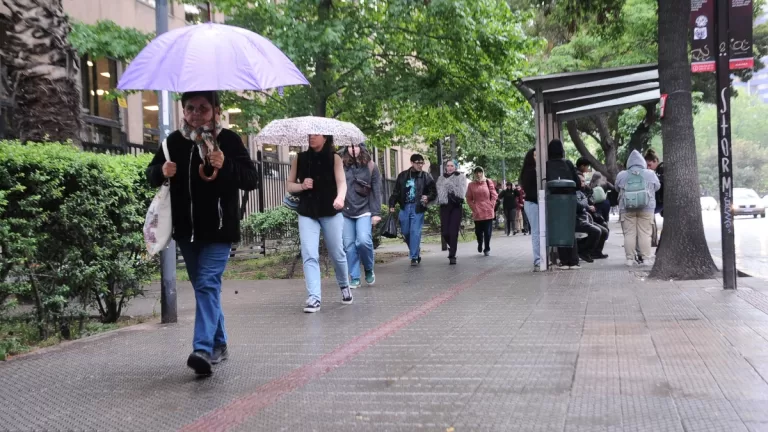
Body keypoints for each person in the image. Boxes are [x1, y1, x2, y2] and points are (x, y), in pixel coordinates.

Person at [146, 91, 258, 376]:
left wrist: (226, 164)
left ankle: (202, 349)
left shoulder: (228, 141)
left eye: (203, 108)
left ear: (216, 111)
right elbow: (150, 174)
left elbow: (251, 180)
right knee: (204, 289)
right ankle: (219, 343)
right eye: (191, 108)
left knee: (207, 284)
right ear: (183, 111)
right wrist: (162, 170)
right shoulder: (173, 142)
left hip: (220, 230)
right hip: (187, 231)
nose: (196, 113)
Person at [286, 134, 351, 313]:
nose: (311, 138)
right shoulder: (300, 159)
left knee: (337, 252)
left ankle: (344, 285)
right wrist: (301, 186)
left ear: (325, 138)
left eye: (316, 135)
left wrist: (340, 198)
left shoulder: (334, 158)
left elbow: (342, 183)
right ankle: (314, 297)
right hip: (308, 212)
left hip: (331, 211)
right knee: (309, 253)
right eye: (309, 135)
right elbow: (289, 185)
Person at [340, 143, 382, 288]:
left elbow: (376, 191)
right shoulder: (340, 165)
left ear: (361, 147)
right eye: (350, 146)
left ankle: (369, 268)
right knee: (349, 246)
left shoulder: (371, 166)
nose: (353, 149)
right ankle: (355, 276)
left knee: (363, 241)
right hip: (345, 212)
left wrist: (376, 213)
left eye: (356, 146)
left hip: (364, 210)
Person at [389, 154, 437, 266]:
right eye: (418, 163)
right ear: (412, 163)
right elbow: (396, 192)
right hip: (404, 207)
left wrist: (428, 197)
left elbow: (433, 192)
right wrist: (392, 204)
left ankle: (414, 257)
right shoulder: (402, 176)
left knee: (415, 232)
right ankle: (415, 249)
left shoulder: (426, 176)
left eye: (422, 163)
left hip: (417, 207)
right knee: (405, 232)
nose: (420, 165)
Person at [616, 150, 661, 266]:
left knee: (629, 233)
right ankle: (646, 259)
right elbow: (657, 187)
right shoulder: (650, 173)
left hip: (626, 208)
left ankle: (629, 259)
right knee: (645, 233)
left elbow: (617, 188)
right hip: (647, 208)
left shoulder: (622, 175)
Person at [547, 139, 581, 269]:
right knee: (569, 229)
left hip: (554, 200)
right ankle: (573, 260)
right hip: (569, 200)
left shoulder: (547, 165)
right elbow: (577, 183)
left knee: (558, 228)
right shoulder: (568, 163)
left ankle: (564, 260)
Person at [436, 160, 468, 265]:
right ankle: (451, 246)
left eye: (452, 166)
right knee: (445, 232)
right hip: (444, 206)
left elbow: (462, 191)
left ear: (455, 167)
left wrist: (450, 185)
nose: (449, 168)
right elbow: (438, 192)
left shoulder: (461, 177)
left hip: (455, 206)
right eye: (448, 166)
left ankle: (452, 255)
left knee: (453, 232)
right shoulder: (441, 178)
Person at [466, 166, 498, 256]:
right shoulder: (471, 185)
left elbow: (494, 194)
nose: (478, 174)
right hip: (477, 212)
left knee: (488, 232)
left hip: (488, 210)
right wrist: (474, 207)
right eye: (476, 172)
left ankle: (487, 248)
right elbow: (468, 198)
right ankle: (480, 243)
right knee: (478, 232)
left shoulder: (488, 182)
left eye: (480, 172)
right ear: (474, 174)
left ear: (482, 173)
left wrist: (491, 204)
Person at [576, 174, 609, 261]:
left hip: (586, 217)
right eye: (582, 181)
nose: (584, 183)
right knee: (596, 231)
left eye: (584, 181)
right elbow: (580, 204)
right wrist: (586, 203)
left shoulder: (584, 191)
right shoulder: (575, 192)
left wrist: (586, 202)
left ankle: (596, 252)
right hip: (579, 219)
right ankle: (583, 251)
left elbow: (588, 201)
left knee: (604, 231)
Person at [519, 148, 542, 271]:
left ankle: (540, 258)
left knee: (538, 232)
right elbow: (530, 191)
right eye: (534, 155)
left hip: (535, 203)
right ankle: (537, 260)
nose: (537, 157)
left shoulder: (536, 170)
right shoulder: (529, 171)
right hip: (532, 203)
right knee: (536, 232)